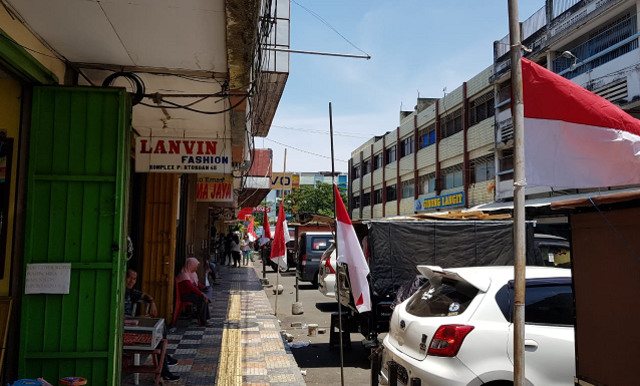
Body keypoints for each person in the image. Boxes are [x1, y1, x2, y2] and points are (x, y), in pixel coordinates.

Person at [124, 269, 180, 382]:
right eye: (129, 278)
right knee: (159, 337)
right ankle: (164, 367)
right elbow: (118, 316)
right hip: (125, 329)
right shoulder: (118, 292)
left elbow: (145, 295)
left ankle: (164, 361)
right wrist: (137, 318)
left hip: (133, 324)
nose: (131, 281)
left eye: (134, 279)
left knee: (160, 328)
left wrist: (152, 302)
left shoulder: (130, 292)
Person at [176, 257, 212, 327]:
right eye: (195, 267)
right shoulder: (184, 274)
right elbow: (191, 287)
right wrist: (201, 293)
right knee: (202, 299)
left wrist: (204, 287)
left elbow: (197, 284)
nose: (196, 269)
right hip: (185, 295)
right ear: (190, 265)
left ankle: (205, 317)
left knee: (207, 293)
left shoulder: (192, 274)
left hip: (191, 293)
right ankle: (203, 321)